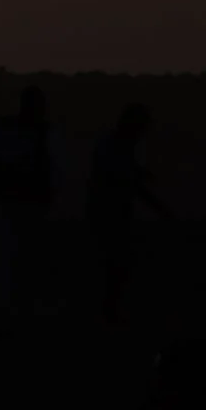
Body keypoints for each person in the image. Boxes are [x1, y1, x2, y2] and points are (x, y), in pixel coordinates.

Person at [86, 103, 171, 327]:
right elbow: (125, 181)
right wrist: (158, 206)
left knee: (112, 265)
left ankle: (107, 312)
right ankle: (107, 313)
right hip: (110, 214)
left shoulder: (112, 145)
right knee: (114, 265)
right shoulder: (116, 146)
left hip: (108, 212)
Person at [0, 87, 61, 315]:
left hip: (5, 204)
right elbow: (58, 171)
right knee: (32, 259)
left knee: (5, 261)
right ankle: (28, 307)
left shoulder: (1, 130)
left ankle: (5, 308)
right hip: (34, 205)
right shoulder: (46, 132)